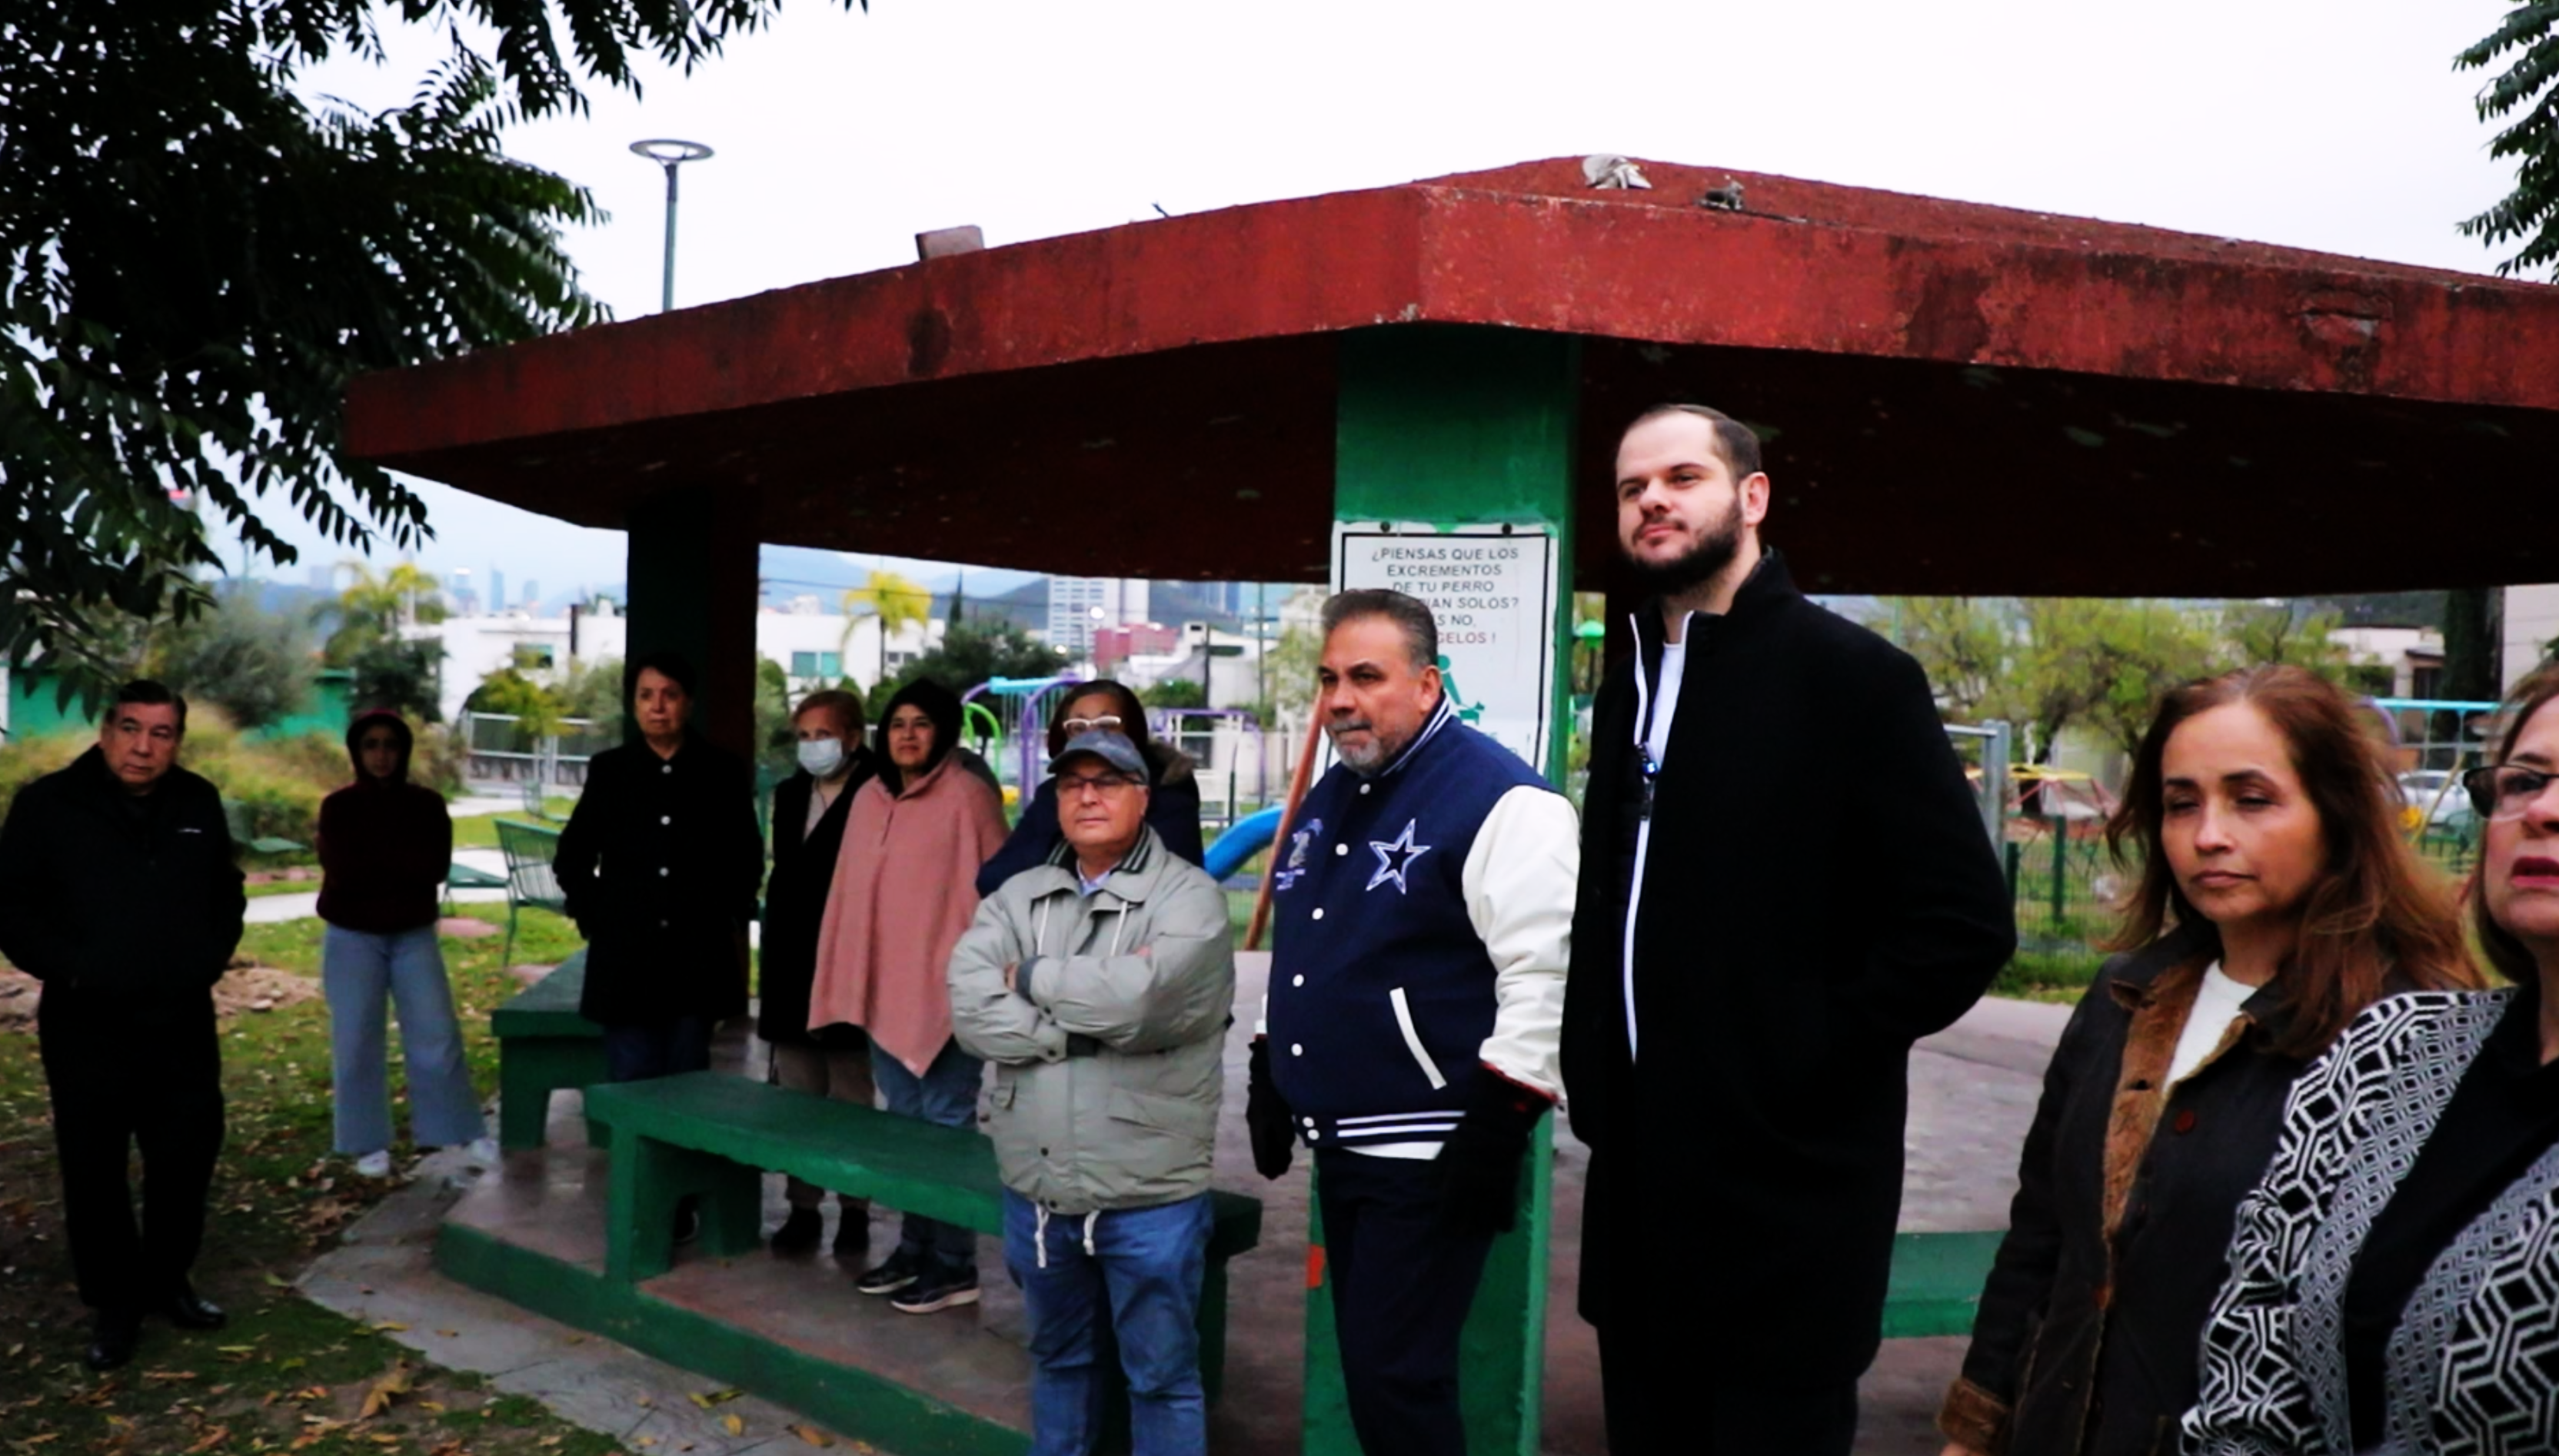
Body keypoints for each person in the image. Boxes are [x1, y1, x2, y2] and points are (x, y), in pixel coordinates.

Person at [1562, 404, 2016, 1453]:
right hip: (1638, 1205)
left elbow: (1961, 921)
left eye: (1682, 477)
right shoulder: (1629, 683)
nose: (1653, 501)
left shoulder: (1854, 679)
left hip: (1786, 1211)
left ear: (1751, 496)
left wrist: (1798, 1059)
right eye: (1632, 488)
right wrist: (1598, 1077)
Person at [1937, 667, 2476, 1456]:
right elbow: (2041, 1239)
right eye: (2181, 803)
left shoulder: (2408, 1032)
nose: (2208, 835)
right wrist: (1975, 1430)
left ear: (2335, 813)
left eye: (2251, 799)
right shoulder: (2126, 996)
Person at [2186, 663, 2559, 1454]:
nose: (2543, 811)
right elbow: (2251, 1362)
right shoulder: (2390, 1051)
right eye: (2525, 780)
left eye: (2252, 798)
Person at [1245, 589, 1578, 1456]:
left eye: (1367, 677)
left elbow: (1546, 974)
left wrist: (1500, 1123)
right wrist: (1269, 1063)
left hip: (1432, 1149)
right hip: (1346, 1142)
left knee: (1398, 1378)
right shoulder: (1335, 793)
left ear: (1428, 685)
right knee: (1375, 1373)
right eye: (1329, 680)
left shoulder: (1503, 799)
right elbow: (1307, 941)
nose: (1340, 699)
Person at [949, 729, 1237, 1455]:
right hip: (1038, 1190)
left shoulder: (1191, 899)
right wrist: (1078, 1028)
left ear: (1143, 797)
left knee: (1162, 1378)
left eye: (1106, 782)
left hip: (1148, 1196)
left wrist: (1031, 978)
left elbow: (1142, 1003)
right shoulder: (1018, 897)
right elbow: (970, 1008)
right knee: (1058, 1361)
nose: (1087, 796)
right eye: (1072, 783)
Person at [0, 681, 246, 1371]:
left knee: (186, 1156)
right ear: (106, 732)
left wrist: (207, 958)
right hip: (88, 1021)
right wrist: (76, 969)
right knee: (94, 1167)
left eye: (161, 734)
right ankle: (114, 1303)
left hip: (180, 1018)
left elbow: (225, 891)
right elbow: (10, 908)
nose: (144, 747)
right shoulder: (48, 805)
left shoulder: (197, 802)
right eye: (131, 729)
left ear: (177, 742)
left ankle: (168, 1280)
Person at [810, 677, 1010, 1315]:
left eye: (921, 724)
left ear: (944, 732)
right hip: (884, 990)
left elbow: (1001, 896)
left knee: (945, 1125)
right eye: (898, 724)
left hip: (948, 995)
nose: (907, 735)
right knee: (903, 1125)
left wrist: (981, 977)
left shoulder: (969, 797)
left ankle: (954, 1263)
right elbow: (849, 895)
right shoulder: (869, 799)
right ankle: (914, 1248)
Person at [552, 651, 764, 1085]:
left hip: (695, 957)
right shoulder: (611, 770)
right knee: (631, 1079)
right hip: (625, 958)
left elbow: (746, 856)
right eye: (646, 695)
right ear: (633, 704)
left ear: (689, 702)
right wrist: (595, 914)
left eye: (670, 695)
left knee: (687, 1080)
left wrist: (725, 914)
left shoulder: (720, 771)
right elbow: (573, 854)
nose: (658, 706)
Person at [315, 708, 498, 1179]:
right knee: (356, 1038)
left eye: (390, 745)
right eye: (371, 745)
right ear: (357, 752)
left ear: (404, 751)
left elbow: (433, 868)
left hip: (412, 935)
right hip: (352, 936)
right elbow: (344, 872)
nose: (381, 755)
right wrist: (398, 867)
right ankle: (366, 1143)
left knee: (437, 1032)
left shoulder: (426, 805)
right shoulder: (339, 807)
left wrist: (380, 866)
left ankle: (459, 1129)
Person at [759, 689, 882, 1257]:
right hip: (792, 961)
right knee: (798, 1091)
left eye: (824, 735)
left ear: (853, 737)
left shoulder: (878, 792)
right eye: (804, 736)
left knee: (851, 1089)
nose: (813, 746)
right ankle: (802, 1206)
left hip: (850, 956)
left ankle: (855, 1209)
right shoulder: (791, 794)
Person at [975, 681, 1208, 896]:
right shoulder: (1052, 794)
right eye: (1078, 727)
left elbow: (1176, 887)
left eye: (1107, 725)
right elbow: (993, 880)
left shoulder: (1170, 790)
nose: (1093, 736)